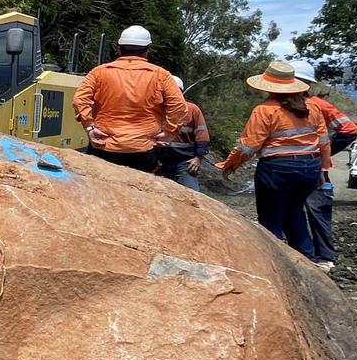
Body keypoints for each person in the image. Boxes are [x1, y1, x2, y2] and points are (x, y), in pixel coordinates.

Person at [216, 61, 331, 261]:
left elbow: (249, 146)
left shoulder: (265, 110)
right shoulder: (312, 107)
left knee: (271, 221)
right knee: (295, 213)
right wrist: (323, 168)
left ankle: (274, 265)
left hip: (278, 170)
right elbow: (324, 141)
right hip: (309, 167)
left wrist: (229, 165)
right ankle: (308, 262)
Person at [74, 25, 189, 173]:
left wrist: (89, 126)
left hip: (104, 146)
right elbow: (179, 106)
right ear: (147, 50)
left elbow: (79, 100)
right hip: (143, 149)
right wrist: (170, 131)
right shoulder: (161, 75)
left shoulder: (99, 72)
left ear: (119, 49)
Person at [289, 60, 357, 270]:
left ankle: (319, 257)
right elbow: (349, 129)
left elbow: (349, 130)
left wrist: (323, 153)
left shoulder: (317, 105)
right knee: (303, 211)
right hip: (311, 168)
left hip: (309, 169)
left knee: (308, 211)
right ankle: (314, 256)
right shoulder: (314, 105)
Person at [155, 75, 210, 190]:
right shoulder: (156, 109)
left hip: (185, 160)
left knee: (191, 192)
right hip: (160, 159)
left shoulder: (192, 110)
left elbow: (202, 136)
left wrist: (198, 158)